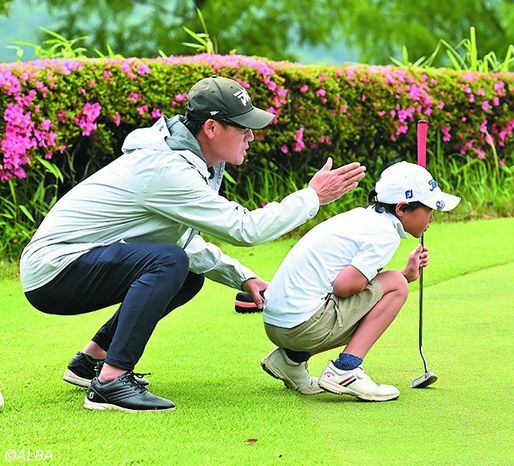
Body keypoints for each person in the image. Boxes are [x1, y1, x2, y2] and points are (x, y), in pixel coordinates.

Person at [19, 76, 366, 412]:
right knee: (168, 262)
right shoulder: (168, 169)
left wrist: (241, 277)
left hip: (64, 267)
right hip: (54, 271)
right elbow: (244, 228)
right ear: (211, 128)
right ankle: (111, 383)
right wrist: (312, 197)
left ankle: (90, 362)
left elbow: (183, 243)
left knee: (185, 273)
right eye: (242, 127)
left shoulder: (180, 161)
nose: (251, 137)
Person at [259, 162, 460, 401]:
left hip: (276, 325)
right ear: (402, 208)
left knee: (396, 280)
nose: (431, 218)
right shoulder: (384, 233)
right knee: (396, 284)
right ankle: (346, 370)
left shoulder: (361, 218)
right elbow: (344, 287)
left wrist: (405, 274)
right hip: (302, 329)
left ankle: (290, 361)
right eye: (428, 210)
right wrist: (402, 277)